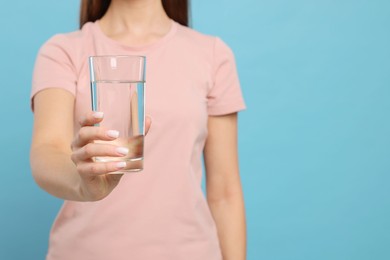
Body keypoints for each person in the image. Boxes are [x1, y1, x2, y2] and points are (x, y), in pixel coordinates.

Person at [30, 0, 246, 259]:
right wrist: (83, 183)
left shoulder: (212, 54)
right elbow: (47, 151)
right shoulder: (63, 50)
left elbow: (225, 192)